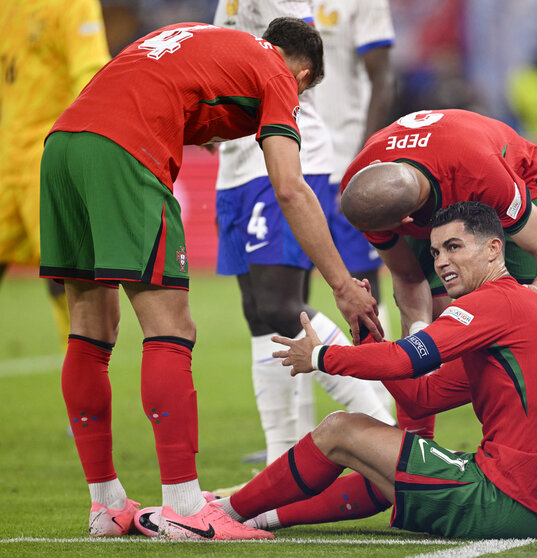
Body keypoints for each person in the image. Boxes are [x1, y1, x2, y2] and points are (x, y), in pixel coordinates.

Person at [40, 17, 381, 540]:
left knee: (91, 328)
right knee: (171, 327)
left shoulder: (201, 37)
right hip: (126, 150)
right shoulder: (278, 74)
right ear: (304, 71)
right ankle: (184, 506)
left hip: (64, 145)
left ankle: (105, 504)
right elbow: (289, 187)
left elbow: (166, 88)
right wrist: (342, 283)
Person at [208, 201, 537, 539]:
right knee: (376, 460)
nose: (441, 261)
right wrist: (369, 336)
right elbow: (422, 398)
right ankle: (254, 518)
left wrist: (322, 355)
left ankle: (218, 516)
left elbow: (409, 358)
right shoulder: (523, 310)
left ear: (493, 249)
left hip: (509, 498)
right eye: (437, 251)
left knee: (341, 429)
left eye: (454, 247)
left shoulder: (494, 303)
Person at [211, 0, 394, 473]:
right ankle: (280, 458)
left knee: (279, 303)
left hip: (281, 144)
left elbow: (291, 58)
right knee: (259, 313)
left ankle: (386, 432)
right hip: (235, 159)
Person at [339, 108, 537, 437]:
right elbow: (407, 277)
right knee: (425, 321)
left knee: (512, 317)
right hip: (442, 176)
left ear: (407, 222)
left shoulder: (485, 175)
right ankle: (413, 448)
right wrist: (420, 335)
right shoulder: (363, 188)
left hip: (506, 173)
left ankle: (521, 438)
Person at [0, 0, 109, 348]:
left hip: (50, 153)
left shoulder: (73, 3)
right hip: (5, 153)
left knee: (66, 274)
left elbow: (90, 75)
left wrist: (94, 146)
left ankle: (82, 374)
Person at [314, 0, 396, 331]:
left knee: (362, 283)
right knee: (280, 291)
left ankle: (381, 382)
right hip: (291, 162)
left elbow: (383, 80)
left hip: (345, 160)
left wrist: (362, 161)